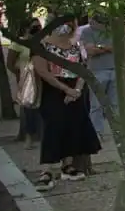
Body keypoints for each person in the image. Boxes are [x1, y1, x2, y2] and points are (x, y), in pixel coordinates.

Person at [32, 21, 103, 188]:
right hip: (52, 91)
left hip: (75, 90)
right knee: (53, 127)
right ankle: (47, 170)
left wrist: (76, 90)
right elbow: (42, 71)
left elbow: (83, 68)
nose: (66, 27)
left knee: (73, 126)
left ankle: (67, 165)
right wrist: (65, 89)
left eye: (69, 24)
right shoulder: (41, 46)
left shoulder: (77, 45)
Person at [6, 21, 43, 150]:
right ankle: (28, 138)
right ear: (26, 28)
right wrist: (21, 75)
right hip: (28, 80)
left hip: (42, 79)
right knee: (29, 109)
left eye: (39, 27)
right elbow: (10, 64)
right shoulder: (19, 43)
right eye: (34, 27)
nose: (37, 30)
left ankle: (42, 135)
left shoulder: (42, 42)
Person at [77, 15, 116, 136]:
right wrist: (107, 48)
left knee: (115, 104)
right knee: (96, 104)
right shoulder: (87, 31)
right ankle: (97, 132)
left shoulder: (113, 30)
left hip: (114, 69)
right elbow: (90, 51)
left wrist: (99, 46)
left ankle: (117, 131)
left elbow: (118, 47)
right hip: (96, 70)